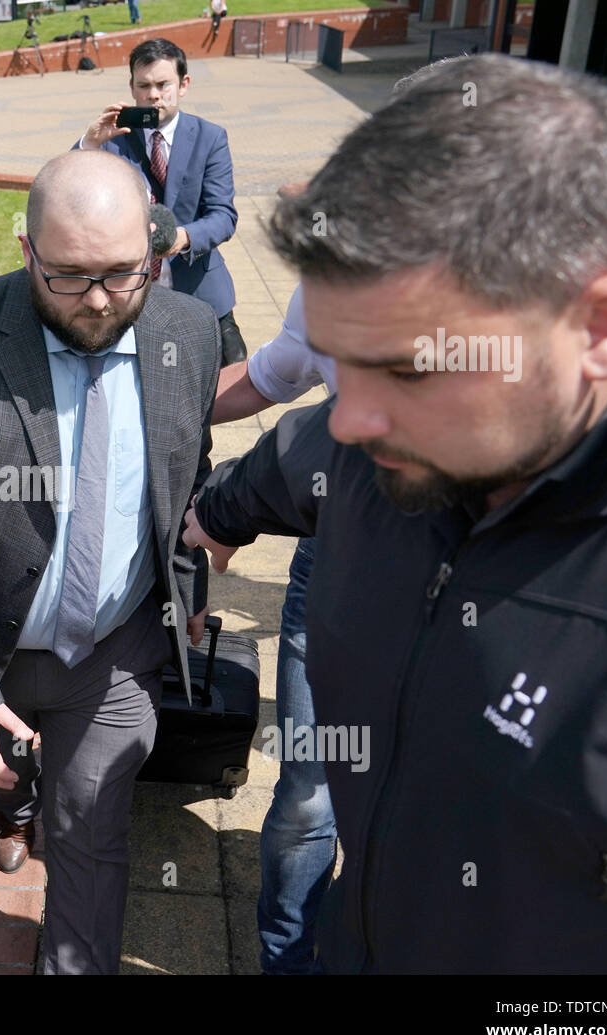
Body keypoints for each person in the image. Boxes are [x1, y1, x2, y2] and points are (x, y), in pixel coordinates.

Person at [184, 54, 607, 972]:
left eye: (412, 366)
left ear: (600, 330)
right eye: (339, 359)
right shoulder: (363, 442)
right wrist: (207, 521)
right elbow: (290, 457)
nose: (352, 418)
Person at [0, 150, 220, 974]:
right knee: (11, 781)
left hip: (116, 655)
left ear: (155, 250)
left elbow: (186, 475)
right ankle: (14, 801)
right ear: (26, 250)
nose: (99, 300)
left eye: (120, 273)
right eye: (69, 276)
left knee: (92, 833)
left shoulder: (192, 333)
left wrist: (190, 588)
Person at [213, 285, 336, 974]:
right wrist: (159, 398)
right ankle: (286, 961)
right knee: (308, 789)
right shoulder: (333, 271)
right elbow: (274, 374)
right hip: (337, 561)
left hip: (473, 578)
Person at [78, 37, 245, 365]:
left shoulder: (211, 138)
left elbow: (223, 215)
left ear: (183, 84)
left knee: (216, 388)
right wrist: (88, 146)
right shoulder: (113, 139)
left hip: (199, 289)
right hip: (129, 295)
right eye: (144, 86)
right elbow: (72, 196)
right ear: (131, 87)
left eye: (162, 84)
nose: (153, 95)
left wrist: (183, 239)